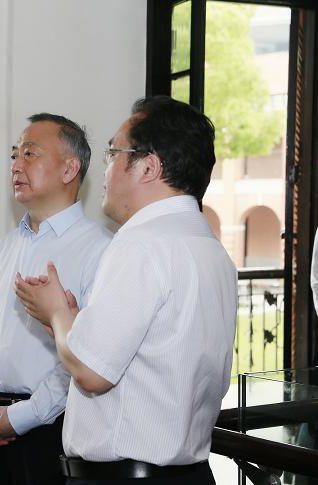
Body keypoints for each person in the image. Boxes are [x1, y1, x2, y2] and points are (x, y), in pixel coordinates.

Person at [15, 96, 238, 484]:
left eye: (112, 153)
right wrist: (71, 323)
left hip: (125, 475)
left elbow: (92, 372)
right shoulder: (211, 249)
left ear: (148, 167)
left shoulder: (140, 243)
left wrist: (57, 312)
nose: (105, 169)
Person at [0, 114, 111, 485]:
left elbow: (87, 353)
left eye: (29, 153)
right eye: (14, 155)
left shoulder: (100, 250)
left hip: (54, 429)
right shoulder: (2, 247)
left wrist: (24, 416)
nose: (16, 165)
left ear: (69, 169)